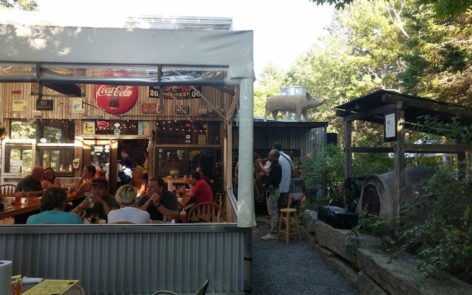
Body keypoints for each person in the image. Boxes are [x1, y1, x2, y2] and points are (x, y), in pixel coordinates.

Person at [257, 149, 282, 240]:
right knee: (271, 212)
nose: (268, 156)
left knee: (273, 212)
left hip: (273, 191)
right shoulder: (273, 165)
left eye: (270, 155)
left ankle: (273, 233)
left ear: (275, 157)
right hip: (271, 191)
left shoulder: (277, 166)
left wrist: (263, 176)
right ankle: (273, 230)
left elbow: (275, 180)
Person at [272, 142, 292, 209]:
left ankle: (277, 218)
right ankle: (282, 217)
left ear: (274, 149)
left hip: (277, 186)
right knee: (282, 206)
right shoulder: (288, 157)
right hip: (286, 185)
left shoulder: (276, 157)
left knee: (275, 206)